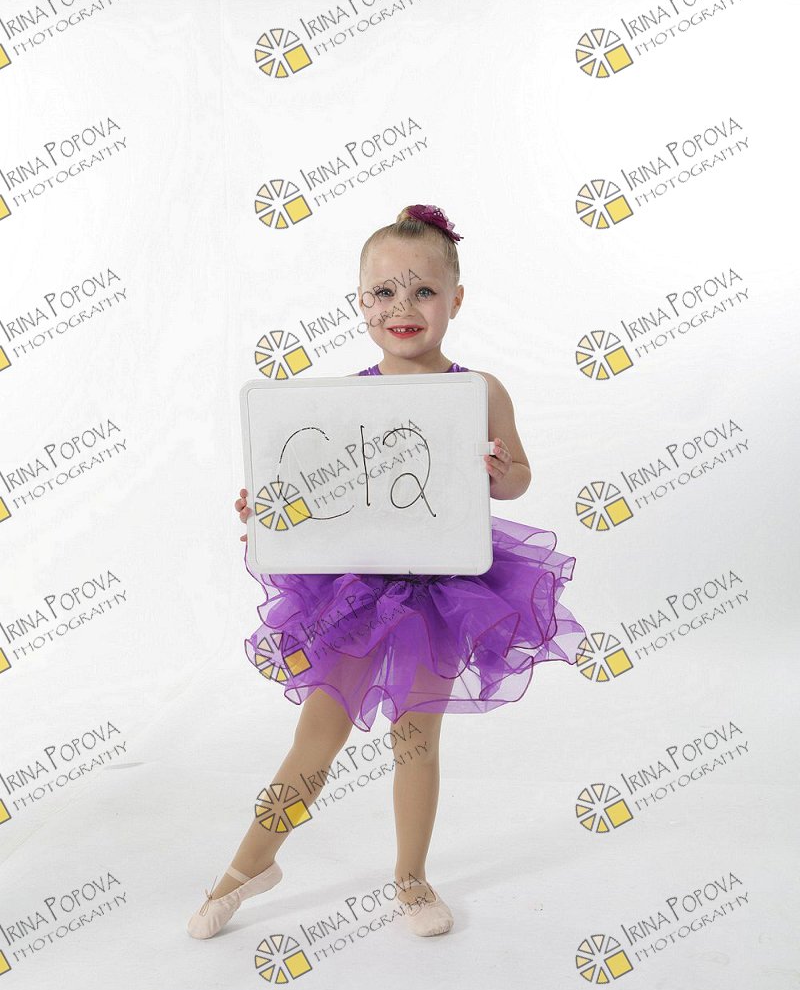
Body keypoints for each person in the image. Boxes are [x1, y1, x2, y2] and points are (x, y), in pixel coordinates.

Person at [187, 203, 587, 942]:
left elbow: (520, 478)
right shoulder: (343, 399)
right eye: (383, 292)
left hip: (443, 591)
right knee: (317, 736)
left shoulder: (480, 390)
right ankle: (246, 869)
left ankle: (411, 878)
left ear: (455, 300)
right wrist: (271, 508)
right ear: (360, 303)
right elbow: (317, 492)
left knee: (416, 739)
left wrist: (499, 469)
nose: (403, 307)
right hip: (358, 590)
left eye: (424, 291)